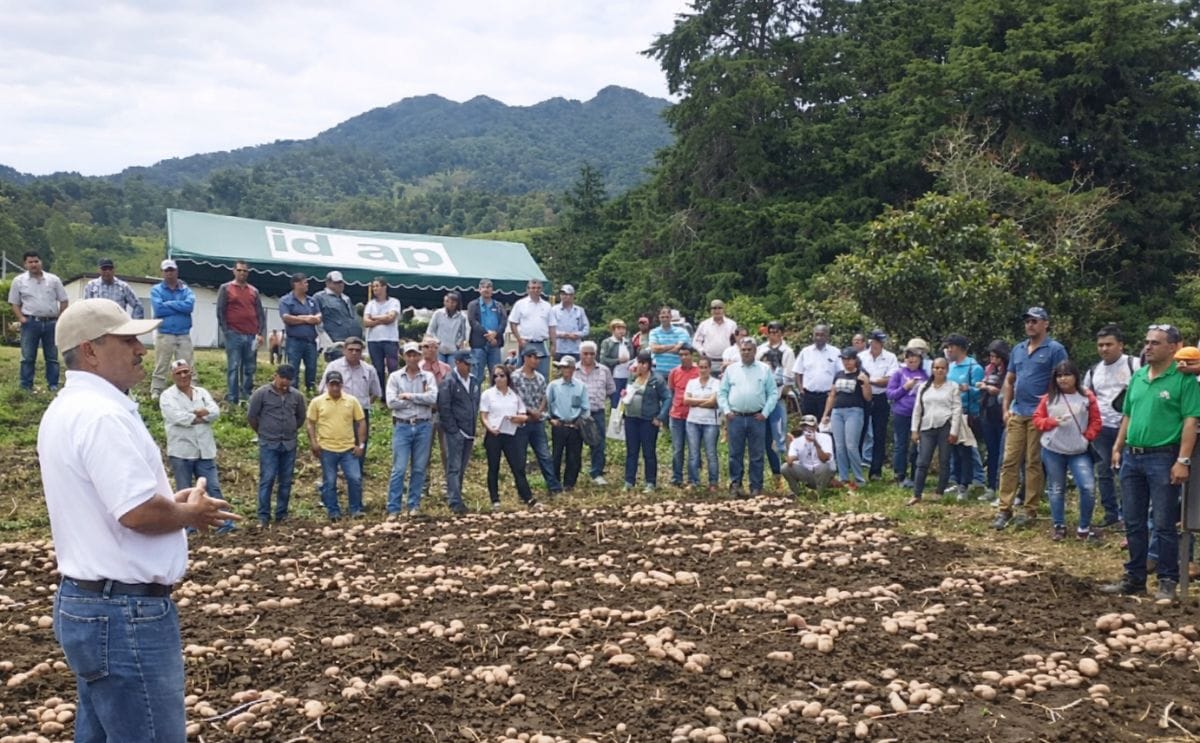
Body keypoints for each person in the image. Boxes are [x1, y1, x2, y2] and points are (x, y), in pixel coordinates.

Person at [38, 298, 233, 742]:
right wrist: (190, 512)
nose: (141, 349)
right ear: (90, 350)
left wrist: (170, 501)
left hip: (91, 606)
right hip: (125, 615)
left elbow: (116, 501)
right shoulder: (101, 415)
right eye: (127, 340)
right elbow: (136, 512)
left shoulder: (68, 409)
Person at [1101, 324, 1200, 601]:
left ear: (1173, 347)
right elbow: (1128, 415)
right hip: (1133, 455)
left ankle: (1167, 579)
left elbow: (1191, 421)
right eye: (1147, 342)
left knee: (1164, 523)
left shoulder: (1184, 380)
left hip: (1163, 456)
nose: (1148, 347)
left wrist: (1183, 460)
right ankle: (1134, 577)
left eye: (1155, 343)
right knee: (1133, 521)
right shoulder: (1140, 376)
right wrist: (1118, 446)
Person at [993, 307, 1069, 530]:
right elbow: (1009, 379)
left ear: (1046, 323)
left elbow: (1062, 380)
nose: (1030, 325)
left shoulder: (1055, 349)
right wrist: (1006, 407)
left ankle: (1029, 509)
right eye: (1027, 321)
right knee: (1009, 461)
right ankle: (1004, 509)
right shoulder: (1018, 349)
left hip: (1039, 413)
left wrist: (1049, 408)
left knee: (1033, 462)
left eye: (1035, 321)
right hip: (1018, 411)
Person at [159, 358, 233, 534]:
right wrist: (199, 416)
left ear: (191, 372)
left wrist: (202, 415)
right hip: (181, 450)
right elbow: (177, 417)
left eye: (186, 371)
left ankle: (224, 523)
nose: (183, 375)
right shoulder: (167, 396)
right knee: (185, 490)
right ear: (173, 376)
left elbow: (215, 412)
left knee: (213, 487)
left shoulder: (201, 392)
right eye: (179, 373)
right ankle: (188, 526)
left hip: (205, 449)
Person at [1033, 360, 1103, 541]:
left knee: (1087, 487)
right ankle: (1058, 525)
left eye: (1067, 375)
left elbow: (1096, 420)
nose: (1063, 379)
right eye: (1059, 376)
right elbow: (1037, 420)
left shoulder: (1086, 397)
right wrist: (1052, 422)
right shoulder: (1049, 398)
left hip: (1078, 450)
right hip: (1053, 449)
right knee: (1056, 488)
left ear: (1075, 377)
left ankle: (1084, 527)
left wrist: (1087, 437)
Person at [1083, 324, 1140, 528]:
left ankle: (1129, 515)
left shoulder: (1135, 365)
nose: (1104, 349)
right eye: (1100, 345)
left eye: (1109, 344)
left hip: (1129, 427)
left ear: (1121, 345)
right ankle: (1111, 514)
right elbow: (1087, 399)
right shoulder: (1094, 371)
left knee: (1128, 472)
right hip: (1102, 428)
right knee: (1104, 472)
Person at [248, 364, 307, 528]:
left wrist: (291, 429)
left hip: (288, 443)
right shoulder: (261, 393)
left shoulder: (297, 396)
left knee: (286, 480)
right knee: (267, 479)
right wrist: (263, 432)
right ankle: (263, 516)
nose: (285, 382)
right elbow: (252, 416)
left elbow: (300, 417)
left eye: (288, 379)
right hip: (269, 442)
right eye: (282, 378)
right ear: (276, 376)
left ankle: (282, 514)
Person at [719, 337, 779, 497]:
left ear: (755, 351)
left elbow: (773, 393)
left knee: (757, 454)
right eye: (743, 350)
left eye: (749, 350)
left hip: (756, 418)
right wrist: (726, 411)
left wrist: (765, 413)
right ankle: (735, 485)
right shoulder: (731, 370)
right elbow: (722, 392)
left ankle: (756, 487)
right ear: (740, 351)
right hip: (735, 417)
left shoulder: (764, 370)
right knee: (734, 454)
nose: (746, 352)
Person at [386, 342, 438, 519]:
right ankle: (393, 508)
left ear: (420, 356)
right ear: (403, 356)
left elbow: (433, 397)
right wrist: (418, 400)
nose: (412, 358)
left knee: (419, 468)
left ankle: (413, 505)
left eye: (415, 354)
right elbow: (391, 402)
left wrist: (409, 396)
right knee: (399, 468)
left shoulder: (428, 376)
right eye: (409, 355)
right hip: (403, 425)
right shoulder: (395, 377)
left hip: (424, 424)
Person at [306, 370, 366, 521]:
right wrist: (314, 442)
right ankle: (333, 511)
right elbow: (310, 423)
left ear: (341, 385)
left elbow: (361, 422)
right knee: (330, 481)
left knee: (355, 478)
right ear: (327, 385)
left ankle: (355, 509)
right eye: (332, 385)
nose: (334, 388)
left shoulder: (351, 401)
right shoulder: (317, 402)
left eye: (337, 384)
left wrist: (361, 444)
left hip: (348, 448)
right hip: (327, 448)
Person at [479, 364, 537, 510]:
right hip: (494, 434)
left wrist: (516, 418)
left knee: (517, 467)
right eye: (495, 376)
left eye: (502, 375)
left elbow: (524, 415)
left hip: (511, 434)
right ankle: (495, 499)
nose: (498, 379)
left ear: (507, 377)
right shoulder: (488, 394)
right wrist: (489, 428)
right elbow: (484, 415)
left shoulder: (514, 395)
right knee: (494, 467)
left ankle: (527, 497)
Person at [9, 250, 68, 393]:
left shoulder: (54, 280)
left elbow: (64, 300)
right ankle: (25, 386)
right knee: (27, 357)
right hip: (30, 323)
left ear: (41, 262)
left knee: (52, 357)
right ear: (25, 264)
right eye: (30, 262)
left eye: (36, 261)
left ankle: (53, 385)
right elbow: (14, 303)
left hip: (51, 323)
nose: (34, 264)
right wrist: (22, 319)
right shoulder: (19, 281)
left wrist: (59, 318)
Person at [320, 337, 382, 466]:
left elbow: (375, 392)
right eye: (351, 350)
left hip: (361, 414)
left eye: (357, 350)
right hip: (337, 412)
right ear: (344, 350)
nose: (354, 353)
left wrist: (365, 403)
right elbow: (323, 390)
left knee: (360, 445)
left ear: (362, 351)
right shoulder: (334, 366)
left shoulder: (369, 369)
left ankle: (356, 477)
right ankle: (334, 477)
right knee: (335, 445)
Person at [908, 358, 963, 505]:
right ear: (932, 369)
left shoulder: (952, 387)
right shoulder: (924, 387)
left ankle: (939, 492)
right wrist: (914, 430)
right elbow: (917, 409)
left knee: (944, 460)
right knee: (922, 461)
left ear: (947, 370)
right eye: (936, 367)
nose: (939, 370)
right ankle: (916, 494)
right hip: (927, 426)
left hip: (945, 425)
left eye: (942, 368)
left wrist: (954, 431)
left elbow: (957, 410)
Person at [512, 346, 564, 495]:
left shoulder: (540, 377)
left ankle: (553, 487)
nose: (537, 361)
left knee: (545, 455)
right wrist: (530, 412)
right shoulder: (515, 377)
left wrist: (539, 412)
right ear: (526, 358)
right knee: (520, 458)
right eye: (534, 357)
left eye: (538, 358)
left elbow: (544, 397)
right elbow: (516, 398)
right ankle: (523, 490)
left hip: (537, 421)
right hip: (522, 421)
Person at [216, 260, 266, 405]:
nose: (242, 273)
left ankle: (247, 395)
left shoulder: (254, 291)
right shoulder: (226, 288)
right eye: (239, 270)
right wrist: (226, 331)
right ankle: (233, 398)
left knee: (250, 367)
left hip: (252, 335)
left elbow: (260, 313)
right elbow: (220, 311)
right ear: (234, 271)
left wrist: (260, 332)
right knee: (234, 366)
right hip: (234, 333)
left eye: (245, 271)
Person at [823, 346, 871, 490]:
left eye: (849, 359)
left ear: (855, 360)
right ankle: (843, 477)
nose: (847, 362)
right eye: (844, 359)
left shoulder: (862, 374)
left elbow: (868, 398)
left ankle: (859, 477)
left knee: (851, 445)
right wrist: (826, 414)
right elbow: (832, 395)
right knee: (839, 446)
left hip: (854, 411)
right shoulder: (838, 374)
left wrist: (866, 383)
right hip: (837, 412)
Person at [437, 350, 479, 514]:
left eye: (471, 364)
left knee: (461, 467)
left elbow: (475, 404)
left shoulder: (474, 381)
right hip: (456, 431)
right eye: (467, 364)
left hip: (469, 431)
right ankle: (454, 501)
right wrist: (454, 430)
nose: (470, 367)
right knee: (453, 467)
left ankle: (457, 496)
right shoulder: (449, 382)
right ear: (458, 363)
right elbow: (444, 408)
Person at [943, 333, 985, 497]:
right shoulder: (950, 367)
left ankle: (973, 482)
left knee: (967, 450)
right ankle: (956, 480)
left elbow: (980, 392)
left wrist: (969, 389)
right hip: (951, 414)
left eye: (950, 346)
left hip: (968, 414)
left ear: (959, 348)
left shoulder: (973, 367)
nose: (948, 350)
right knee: (953, 449)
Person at [623, 350, 670, 491]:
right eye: (639, 363)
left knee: (648, 452)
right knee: (632, 451)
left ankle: (650, 482)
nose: (641, 366)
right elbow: (627, 393)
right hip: (631, 418)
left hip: (648, 420)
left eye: (644, 363)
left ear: (649, 365)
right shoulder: (632, 377)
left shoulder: (657, 379)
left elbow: (667, 398)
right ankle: (629, 481)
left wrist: (660, 416)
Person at [149, 259, 196, 398]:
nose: (169, 273)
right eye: (166, 270)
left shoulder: (186, 289)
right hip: (164, 333)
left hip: (183, 333)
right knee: (161, 363)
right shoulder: (156, 290)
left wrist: (168, 304)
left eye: (172, 270)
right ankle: (156, 390)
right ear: (162, 273)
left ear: (177, 271)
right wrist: (179, 306)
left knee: (187, 364)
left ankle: (191, 389)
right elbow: (158, 309)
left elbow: (190, 306)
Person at [759, 322, 797, 488]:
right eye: (770, 332)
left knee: (780, 439)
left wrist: (778, 396)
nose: (773, 335)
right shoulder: (761, 349)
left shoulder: (787, 352)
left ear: (782, 333)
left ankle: (788, 475)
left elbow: (789, 378)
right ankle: (776, 476)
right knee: (765, 440)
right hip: (760, 399)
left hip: (778, 398)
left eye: (776, 332)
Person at [887, 344, 929, 488]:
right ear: (905, 360)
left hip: (919, 415)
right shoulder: (898, 374)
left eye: (915, 361)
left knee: (916, 446)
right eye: (909, 361)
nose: (912, 363)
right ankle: (900, 475)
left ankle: (915, 475)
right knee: (901, 445)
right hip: (901, 413)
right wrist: (906, 387)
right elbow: (890, 394)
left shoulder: (924, 375)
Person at [858, 329, 897, 480]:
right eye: (875, 341)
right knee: (859, 433)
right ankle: (857, 469)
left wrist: (869, 380)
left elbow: (890, 380)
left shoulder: (890, 357)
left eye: (880, 341)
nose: (877, 344)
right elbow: (857, 377)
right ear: (870, 341)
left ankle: (875, 471)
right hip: (862, 398)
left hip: (881, 398)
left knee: (879, 435)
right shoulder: (861, 357)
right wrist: (877, 380)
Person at [547, 355, 590, 490]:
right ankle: (555, 483)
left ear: (573, 369)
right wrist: (550, 419)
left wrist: (580, 421)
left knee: (574, 456)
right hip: (559, 425)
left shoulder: (581, 386)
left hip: (575, 425)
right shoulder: (553, 386)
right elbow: (546, 405)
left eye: (567, 367)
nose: (564, 370)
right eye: (562, 367)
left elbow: (586, 407)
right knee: (556, 455)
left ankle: (569, 484)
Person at [576, 341, 615, 485]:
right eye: (585, 353)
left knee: (598, 443)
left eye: (591, 353)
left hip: (597, 411)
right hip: (578, 414)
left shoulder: (604, 370)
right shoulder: (574, 370)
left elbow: (611, 389)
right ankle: (574, 473)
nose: (588, 356)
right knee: (576, 444)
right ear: (580, 354)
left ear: (596, 354)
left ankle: (597, 472)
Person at [977, 340, 1010, 497]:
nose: (993, 360)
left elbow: (1007, 392)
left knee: (1005, 453)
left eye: (996, 357)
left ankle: (1002, 487)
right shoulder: (989, 370)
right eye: (991, 356)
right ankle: (991, 486)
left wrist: (993, 390)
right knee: (992, 452)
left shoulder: (1010, 371)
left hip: (1002, 415)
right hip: (987, 413)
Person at [279, 273, 321, 393]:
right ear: (296, 284)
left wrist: (300, 318)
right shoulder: (286, 300)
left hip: (310, 341)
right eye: (304, 282)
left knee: (312, 368)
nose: (307, 284)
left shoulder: (311, 300)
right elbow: (286, 318)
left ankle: (310, 392)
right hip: (294, 341)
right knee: (293, 369)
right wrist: (307, 319)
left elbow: (318, 316)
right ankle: (292, 393)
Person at [684, 356, 721, 490]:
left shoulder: (716, 383)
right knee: (693, 453)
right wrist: (704, 401)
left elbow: (713, 401)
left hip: (711, 422)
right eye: (701, 367)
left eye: (706, 367)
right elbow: (686, 401)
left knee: (711, 453)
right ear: (697, 367)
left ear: (710, 368)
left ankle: (713, 482)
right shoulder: (691, 382)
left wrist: (696, 401)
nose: (703, 370)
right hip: (693, 421)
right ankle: (693, 481)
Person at [667, 346, 700, 487]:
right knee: (677, 448)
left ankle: (693, 479)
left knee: (694, 449)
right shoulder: (674, 372)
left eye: (686, 354)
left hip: (693, 415)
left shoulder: (698, 371)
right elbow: (671, 391)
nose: (683, 357)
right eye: (681, 355)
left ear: (692, 356)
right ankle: (677, 477)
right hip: (676, 415)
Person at [508, 279, 555, 379]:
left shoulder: (547, 306)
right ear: (528, 289)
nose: (535, 290)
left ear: (541, 289)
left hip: (542, 344)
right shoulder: (520, 304)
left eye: (538, 288)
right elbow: (513, 323)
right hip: (526, 343)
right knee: (523, 375)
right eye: (533, 288)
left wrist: (553, 344)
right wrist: (519, 339)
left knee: (543, 375)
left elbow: (552, 326)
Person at [364, 277, 402, 397]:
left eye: (377, 286)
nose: (375, 289)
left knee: (392, 368)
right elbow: (366, 322)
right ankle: (381, 395)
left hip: (390, 340)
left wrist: (374, 317)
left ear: (384, 287)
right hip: (373, 340)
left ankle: (393, 394)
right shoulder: (370, 304)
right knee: (378, 369)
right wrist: (382, 318)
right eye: (373, 286)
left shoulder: (394, 302)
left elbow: (391, 318)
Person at [792, 324, 840, 418]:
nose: (818, 337)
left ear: (827, 337)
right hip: (808, 396)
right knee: (808, 425)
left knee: (825, 425)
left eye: (822, 335)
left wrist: (835, 393)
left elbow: (840, 373)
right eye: (816, 334)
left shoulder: (835, 352)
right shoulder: (805, 351)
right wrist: (801, 390)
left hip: (827, 396)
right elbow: (798, 372)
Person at [782, 415, 837, 496]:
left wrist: (815, 443)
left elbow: (825, 459)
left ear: (815, 427)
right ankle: (797, 493)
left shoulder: (825, 437)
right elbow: (789, 461)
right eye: (804, 426)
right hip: (807, 473)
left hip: (823, 474)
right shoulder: (797, 442)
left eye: (810, 426)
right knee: (785, 467)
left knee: (824, 466)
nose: (807, 429)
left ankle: (820, 494)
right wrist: (791, 446)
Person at [466, 278, 507, 385]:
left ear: (492, 290)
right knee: (476, 376)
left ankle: (495, 400)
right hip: (479, 345)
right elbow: (473, 322)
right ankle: (475, 401)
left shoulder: (498, 305)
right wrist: (488, 335)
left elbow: (503, 322)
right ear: (479, 290)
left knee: (497, 375)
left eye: (488, 287)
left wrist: (495, 334)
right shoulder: (473, 305)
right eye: (483, 287)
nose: (486, 289)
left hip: (495, 344)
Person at [313, 270, 360, 359]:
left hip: (350, 341)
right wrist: (325, 341)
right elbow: (317, 321)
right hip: (333, 341)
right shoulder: (319, 297)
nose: (340, 284)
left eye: (341, 282)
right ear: (327, 283)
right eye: (337, 282)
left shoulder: (346, 298)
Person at [692, 299, 738, 374]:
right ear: (711, 310)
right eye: (714, 308)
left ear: (724, 309)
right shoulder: (704, 325)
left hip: (726, 362)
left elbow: (737, 341)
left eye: (719, 308)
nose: (717, 310)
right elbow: (696, 341)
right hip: (709, 363)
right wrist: (701, 351)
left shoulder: (732, 324)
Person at [649, 306, 691, 382]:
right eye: (662, 317)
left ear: (671, 317)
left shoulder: (682, 332)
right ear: (659, 317)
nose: (664, 319)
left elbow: (678, 349)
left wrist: (661, 349)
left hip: (677, 371)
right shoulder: (654, 332)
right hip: (659, 372)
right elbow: (654, 349)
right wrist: (672, 345)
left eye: (667, 317)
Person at [551, 284, 590, 362]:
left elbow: (586, 329)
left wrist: (577, 335)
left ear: (572, 296)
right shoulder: (554, 310)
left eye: (568, 294)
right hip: (559, 349)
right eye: (563, 294)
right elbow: (549, 329)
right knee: (558, 372)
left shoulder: (579, 310)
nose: (565, 296)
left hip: (576, 349)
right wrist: (561, 334)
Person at [428, 291, 469, 364]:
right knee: (439, 373)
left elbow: (464, 334)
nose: (450, 304)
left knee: (451, 373)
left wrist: (458, 343)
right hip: (439, 350)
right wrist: (437, 341)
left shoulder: (462, 317)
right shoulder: (438, 313)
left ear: (457, 303)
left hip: (453, 351)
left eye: (453, 302)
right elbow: (430, 331)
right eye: (447, 301)